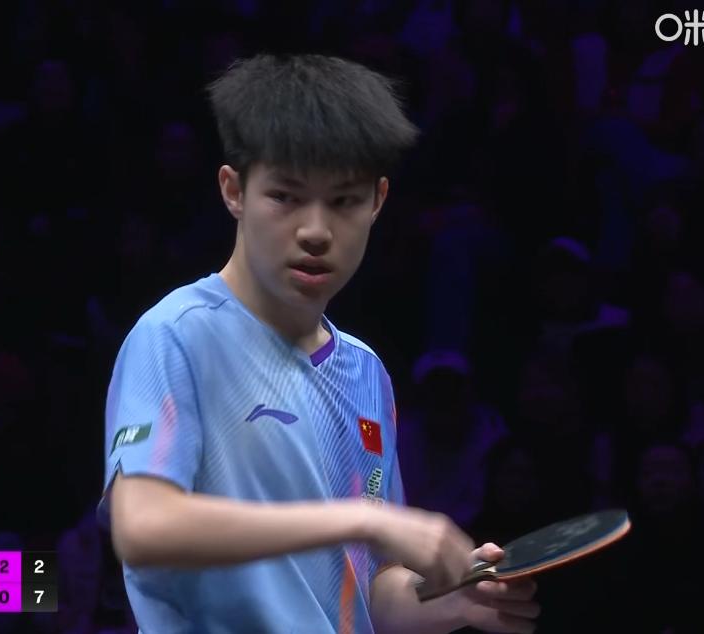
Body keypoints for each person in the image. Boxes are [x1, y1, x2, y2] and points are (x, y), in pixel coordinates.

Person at [100, 54, 539, 633]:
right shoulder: (176, 336)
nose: (314, 231)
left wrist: (454, 601)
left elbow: (369, 588)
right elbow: (142, 527)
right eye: (285, 196)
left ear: (377, 201)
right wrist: (360, 519)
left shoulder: (366, 373)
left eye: (344, 201)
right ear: (234, 190)